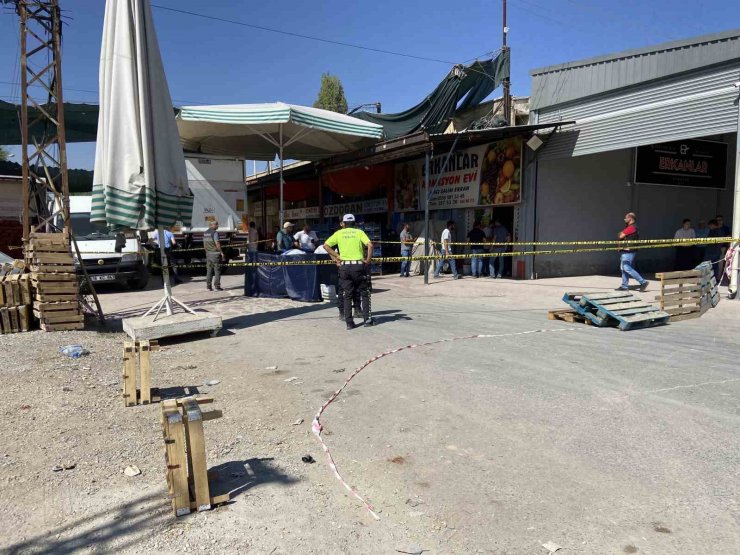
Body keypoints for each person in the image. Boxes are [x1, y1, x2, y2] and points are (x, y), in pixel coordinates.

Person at [323, 214, 374, 329]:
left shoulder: (339, 233)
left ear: (344, 223)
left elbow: (325, 245)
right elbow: (370, 245)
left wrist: (337, 256)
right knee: (364, 293)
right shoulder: (359, 232)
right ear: (355, 223)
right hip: (358, 267)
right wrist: (368, 261)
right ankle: (367, 320)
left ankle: (349, 323)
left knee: (347, 295)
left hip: (345, 267)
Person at [616, 212, 649, 292]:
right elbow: (620, 234)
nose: (625, 219)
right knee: (623, 268)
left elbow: (620, 235)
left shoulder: (631, 227)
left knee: (627, 268)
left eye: (626, 218)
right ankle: (624, 286)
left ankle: (643, 282)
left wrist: (621, 233)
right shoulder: (631, 227)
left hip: (628, 251)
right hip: (626, 250)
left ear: (630, 218)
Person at [204, 220, 225, 291]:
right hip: (215, 254)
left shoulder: (205, 233)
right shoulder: (215, 233)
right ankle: (217, 286)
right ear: (212, 225)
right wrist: (221, 252)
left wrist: (207, 251)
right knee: (217, 270)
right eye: (216, 224)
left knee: (209, 270)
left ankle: (208, 286)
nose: (218, 226)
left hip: (208, 254)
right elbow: (217, 244)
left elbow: (204, 244)